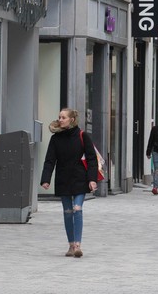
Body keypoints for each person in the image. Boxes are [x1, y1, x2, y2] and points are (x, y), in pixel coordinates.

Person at [40, 108, 100, 258]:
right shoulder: (55, 139)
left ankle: (78, 246)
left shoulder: (82, 136)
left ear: (72, 119)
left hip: (80, 178)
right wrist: (45, 179)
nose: (60, 119)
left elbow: (92, 159)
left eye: (64, 117)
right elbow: (50, 160)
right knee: (67, 212)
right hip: (63, 179)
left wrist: (92, 179)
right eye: (59, 117)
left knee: (77, 209)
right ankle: (71, 245)